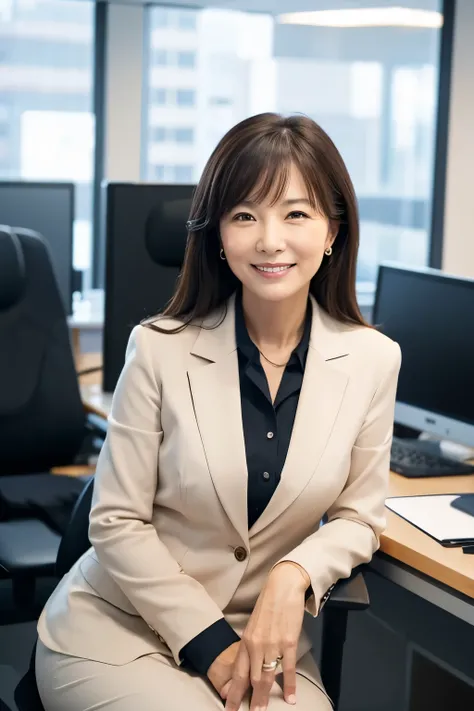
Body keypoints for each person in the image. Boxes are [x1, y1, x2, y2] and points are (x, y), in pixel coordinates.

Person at [35, 112, 401, 711]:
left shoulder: (372, 360)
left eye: (296, 213)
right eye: (245, 215)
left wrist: (294, 575)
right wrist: (210, 645)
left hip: (265, 640)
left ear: (332, 230)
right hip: (124, 627)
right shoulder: (158, 347)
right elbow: (115, 523)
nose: (270, 239)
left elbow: (359, 519)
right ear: (218, 235)